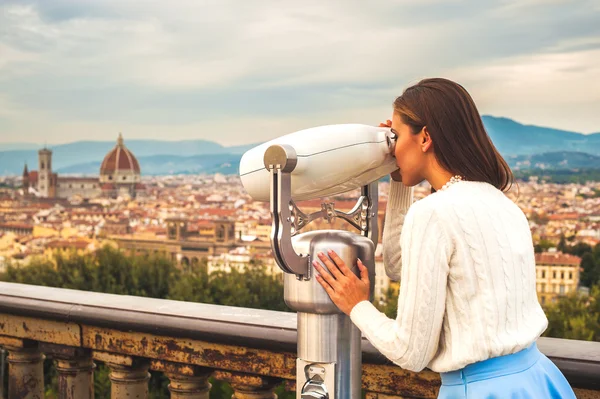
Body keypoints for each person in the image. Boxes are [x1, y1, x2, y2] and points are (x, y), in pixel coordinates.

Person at [313, 78, 576, 398]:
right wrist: (399, 180)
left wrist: (357, 306)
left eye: (395, 135)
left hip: (478, 389)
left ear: (424, 137)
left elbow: (411, 353)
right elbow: (399, 266)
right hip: (536, 380)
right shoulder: (503, 204)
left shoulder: (434, 214)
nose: (392, 146)